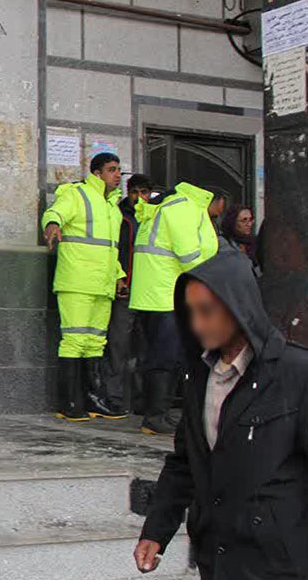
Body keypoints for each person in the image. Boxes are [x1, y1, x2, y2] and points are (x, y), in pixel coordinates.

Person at [134, 247, 308, 579]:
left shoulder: (295, 374)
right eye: (190, 312)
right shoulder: (200, 377)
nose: (197, 324)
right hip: (218, 558)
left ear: (238, 307)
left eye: (207, 311)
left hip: (281, 563)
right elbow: (186, 462)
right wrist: (156, 531)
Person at [130, 183, 221, 435]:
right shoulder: (185, 208)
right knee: (166, 356)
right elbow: (189, 255)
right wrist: (214, 276)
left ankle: (156, 411)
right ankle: (155, 415)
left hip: (156, 293)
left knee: (160, 354)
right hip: (165, 294)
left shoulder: (174, 205)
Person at [42, 153, 127, 422]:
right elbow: (54, 212)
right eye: (112, 170)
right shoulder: (77, 194)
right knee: (74, 341)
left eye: (119, 170)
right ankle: (68, 402)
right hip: (77, 281)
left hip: (101, 285)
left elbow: (110, 249)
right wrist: (52, 223)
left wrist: (118, 276)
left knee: (94, 343)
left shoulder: (112, 206)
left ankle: (92, 399)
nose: (117, 175)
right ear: (97, 173)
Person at [104, 173, 153, 414]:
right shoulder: (119, 216)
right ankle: (115, 397)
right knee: (118, 346)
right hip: (125, 289)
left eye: (144, 192)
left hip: (149, 292)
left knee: (145, 350)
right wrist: (119, 278)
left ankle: (142, 399)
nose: (139, 197)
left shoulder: (155, 217)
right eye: (135, 192)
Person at [220, 204, 259, 272]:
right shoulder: (223, 243)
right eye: (244, 220)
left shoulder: (254, 242)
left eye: (251, 219)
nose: (249, 224)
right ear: (233, 222)